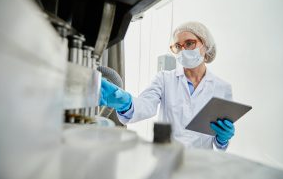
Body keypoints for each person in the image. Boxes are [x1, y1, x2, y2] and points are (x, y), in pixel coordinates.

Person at [100, 21, 235, 150]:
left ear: (205, 45)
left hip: (201, 163)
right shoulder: (164, 78)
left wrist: (222, 139)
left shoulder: (222, 88)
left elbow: (219, 143)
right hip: (167, 157)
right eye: (177, 46)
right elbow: (146, 104)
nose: (183, 50)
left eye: (189, 43)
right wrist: (126, 103)